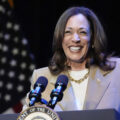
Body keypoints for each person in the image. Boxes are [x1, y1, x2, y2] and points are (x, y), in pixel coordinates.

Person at [23, 6, 120, 112]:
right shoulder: (42, 78)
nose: (75, 39)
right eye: (68, 32)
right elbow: (28, 116)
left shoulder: (116, 71)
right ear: (60, 39)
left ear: (92, 39)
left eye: (82, 32)